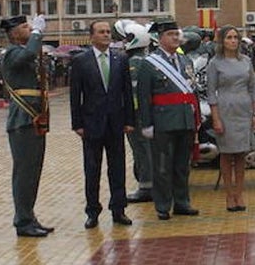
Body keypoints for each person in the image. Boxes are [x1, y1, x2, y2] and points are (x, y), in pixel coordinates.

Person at [69, 19, 135, 229]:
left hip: (116, 123)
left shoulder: (120, 59)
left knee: (117, 168)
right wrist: (77, 124)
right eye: (101, 32)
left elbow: (127, 92)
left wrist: (129, 120)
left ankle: (118, 209)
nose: (107, 35)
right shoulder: (81, 61)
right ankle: (92, 211)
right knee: (92, 169)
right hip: (91, 124)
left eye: (108, 32)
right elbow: (75, 95)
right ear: (92, 36)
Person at [136, 18, 200, 221]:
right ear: (160, 38)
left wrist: (195, 117)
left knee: (182, 164)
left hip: (184, 119)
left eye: (176, 34)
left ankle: (182, 202)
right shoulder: (149, 64)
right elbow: (144, 97)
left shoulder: (185, 61)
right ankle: (163, 205)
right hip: (162, 121)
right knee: (162, 166)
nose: (175, 38)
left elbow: (193, 92)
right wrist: (146, 124)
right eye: (171, 35)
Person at [0, 14, 54, 238]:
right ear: (13, 34)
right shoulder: (12, 53)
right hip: (22, 120)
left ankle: (29, 216)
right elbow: (30, 53)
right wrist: (38, 33)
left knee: (33, 172)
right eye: (25, 26)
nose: (30, 28)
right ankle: (22, 220)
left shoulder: (25, 53)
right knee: (24, 173)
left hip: (34, 119)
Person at [207, 25, 255, 211]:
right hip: (225, 109)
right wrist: (216, 118)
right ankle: (229, 195)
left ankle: (239, 193)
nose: (233, 41)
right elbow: (211, 91)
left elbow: (253, 87)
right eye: (229, 37)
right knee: (227, 154)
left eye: (236, 37)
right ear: (222, 41)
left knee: (241, 154)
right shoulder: (215, 63)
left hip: (244, 109)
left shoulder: (246, 61)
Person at [120, 22, 154, 203]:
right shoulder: (146, 60)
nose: (124, 42)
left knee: (141, 150)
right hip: (145, 114)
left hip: (137, 116)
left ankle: (146, 187)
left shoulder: (133, 63)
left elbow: (133, 93)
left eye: (127, 38)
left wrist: (129, 116)